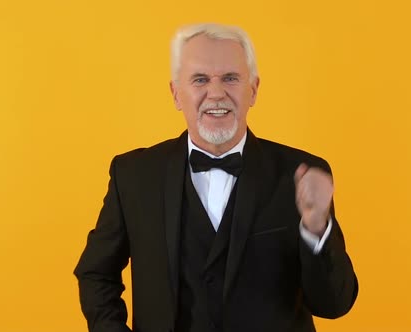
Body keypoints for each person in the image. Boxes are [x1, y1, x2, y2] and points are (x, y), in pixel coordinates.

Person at [74, 23, 358, 332]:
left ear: (253, 90)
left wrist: (316, 229)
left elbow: (335, 304)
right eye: (200, 80)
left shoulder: (301, 173)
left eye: (231, 78)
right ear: (175, 94)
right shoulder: (133, 175)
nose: (216, 93)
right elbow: (96, 273)